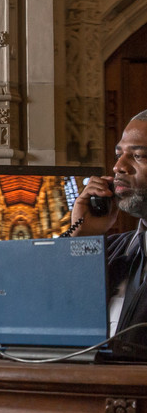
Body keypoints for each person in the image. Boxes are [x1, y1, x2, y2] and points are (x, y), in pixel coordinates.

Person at [72, 108, 147, 355]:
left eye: (138, 156)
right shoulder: (112, 250)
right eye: (118, 155)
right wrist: (82, 237)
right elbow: (53, 317)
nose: (118, 167)